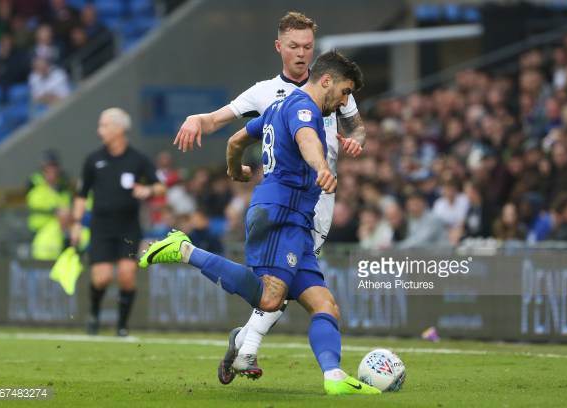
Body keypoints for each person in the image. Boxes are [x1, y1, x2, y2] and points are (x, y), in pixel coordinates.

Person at [141, 51, 379, 395]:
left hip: (296, 219)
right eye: (344, 92)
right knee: (269, 299)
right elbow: (307, 139)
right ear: (326, 81)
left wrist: (235, 168)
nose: (344, 101)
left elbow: (236, 140)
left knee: (324, 304)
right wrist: (320, 168)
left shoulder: (277, 107)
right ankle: (184, 250)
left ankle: (334, 378)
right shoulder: (303, 109)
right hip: (281, 213)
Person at [70, 108, 165, 337]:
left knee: (126, 274)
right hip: (101, 227)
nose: (99, 130)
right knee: (101, 278)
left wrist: (148, 189)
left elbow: (160, 186)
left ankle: (122, 326)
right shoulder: (93, 160)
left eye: (103, 125)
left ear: (119, 129)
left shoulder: (138, 159)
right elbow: (82, 194)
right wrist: (76, 222)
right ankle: (93, 314)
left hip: (128, 227)